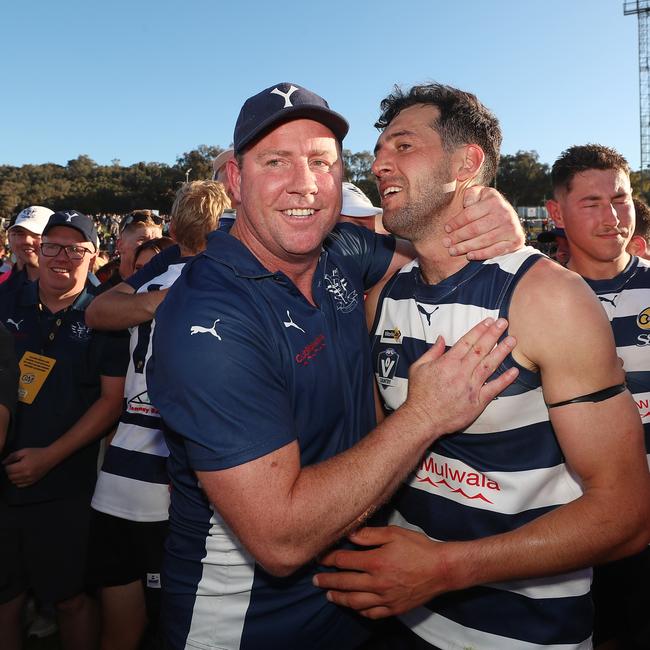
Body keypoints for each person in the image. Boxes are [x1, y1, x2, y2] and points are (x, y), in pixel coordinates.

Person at [145, 81, 524, 650]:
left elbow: (437, 245)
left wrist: (486, 210)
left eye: (322, 163)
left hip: (354, 602)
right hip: (245, 624)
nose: (304, 184)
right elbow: (281, 539)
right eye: (276, 161)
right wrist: (425, 416)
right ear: (234, 180)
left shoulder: (339, 251)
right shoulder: (207, 321)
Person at [313, 84, 650, 650]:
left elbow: (627, 513)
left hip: (521, 634)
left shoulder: (547, 298)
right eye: (378, 151)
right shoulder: (385, 297)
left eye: (402, 145)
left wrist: (444, 569)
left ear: (467, 163)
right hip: (396, 617)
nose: (378, 164)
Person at [88, 182, 230, 650]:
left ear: (173, 227)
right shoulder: (226, 287)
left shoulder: (146, 282)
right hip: (174, 486)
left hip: (117, 479)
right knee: (177, 630)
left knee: (120, 631)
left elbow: (98, 311)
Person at [0, 210, 128, 650]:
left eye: (76, 248)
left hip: (67, 484)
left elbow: (112, 401)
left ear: (94, 256)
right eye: (52, 245)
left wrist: (49, 457)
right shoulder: (6, 303)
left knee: (69, 599)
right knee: (6, 600)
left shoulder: (104, 316)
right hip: (3, 481)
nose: (61, 256)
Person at [545, 144, 650, 650]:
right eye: (591, 203)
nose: (613, 218)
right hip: (575, 528)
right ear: (556, 213)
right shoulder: (535, 298)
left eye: (621, 199)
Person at [95, 210, 163, 291]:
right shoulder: (98, 288)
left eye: (157, 241)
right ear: (120, 245)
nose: (151, 247)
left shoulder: (168, 285)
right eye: (143, 240)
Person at [1, 206, 54, 295]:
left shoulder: (73, 286)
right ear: (9, 238)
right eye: (19, 234)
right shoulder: (3, 286)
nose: (27, 240)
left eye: (37, 234)